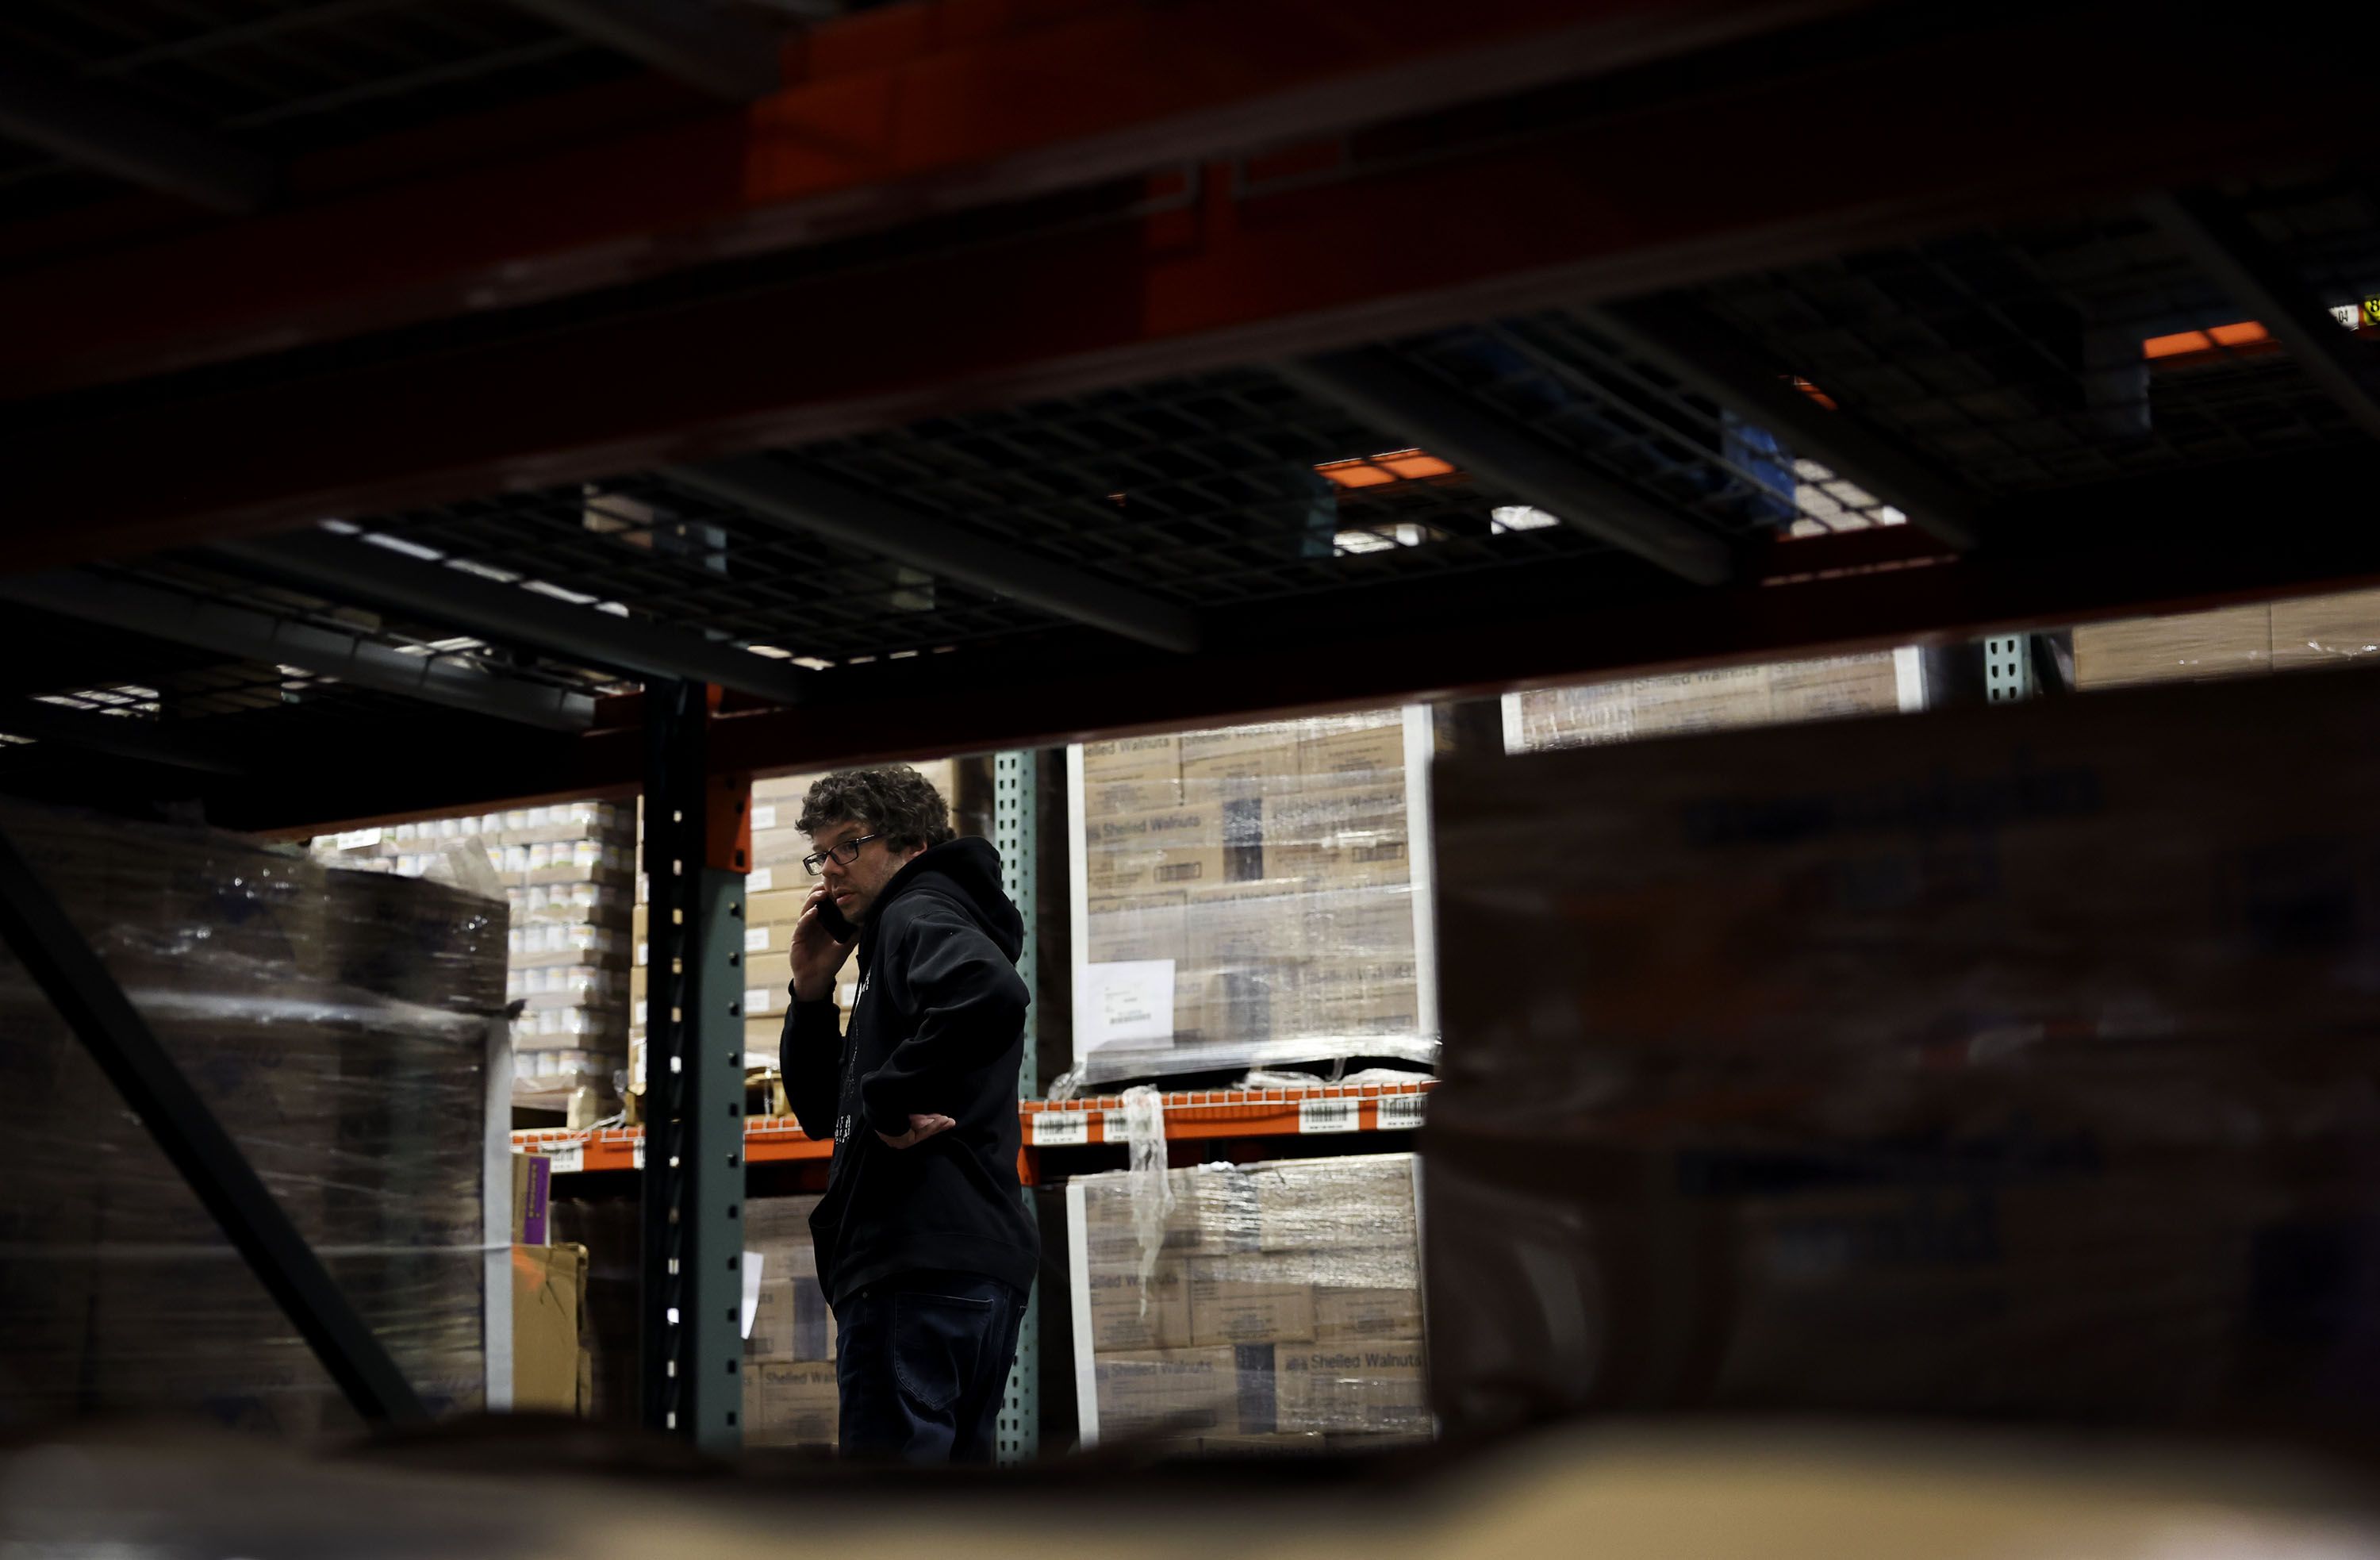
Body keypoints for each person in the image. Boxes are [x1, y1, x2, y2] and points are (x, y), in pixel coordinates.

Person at [779, 765, 1038, 1463]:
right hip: (961, 1269)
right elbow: (819, 1114)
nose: (830, 869)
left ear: (912, 845)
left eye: (848, 846)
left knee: (887, 1526)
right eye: (821, 853)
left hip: (914, 1265)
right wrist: (810, 992)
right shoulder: (907, 930)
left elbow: (991, 993)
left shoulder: (913, 914)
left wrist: (888, 1101)